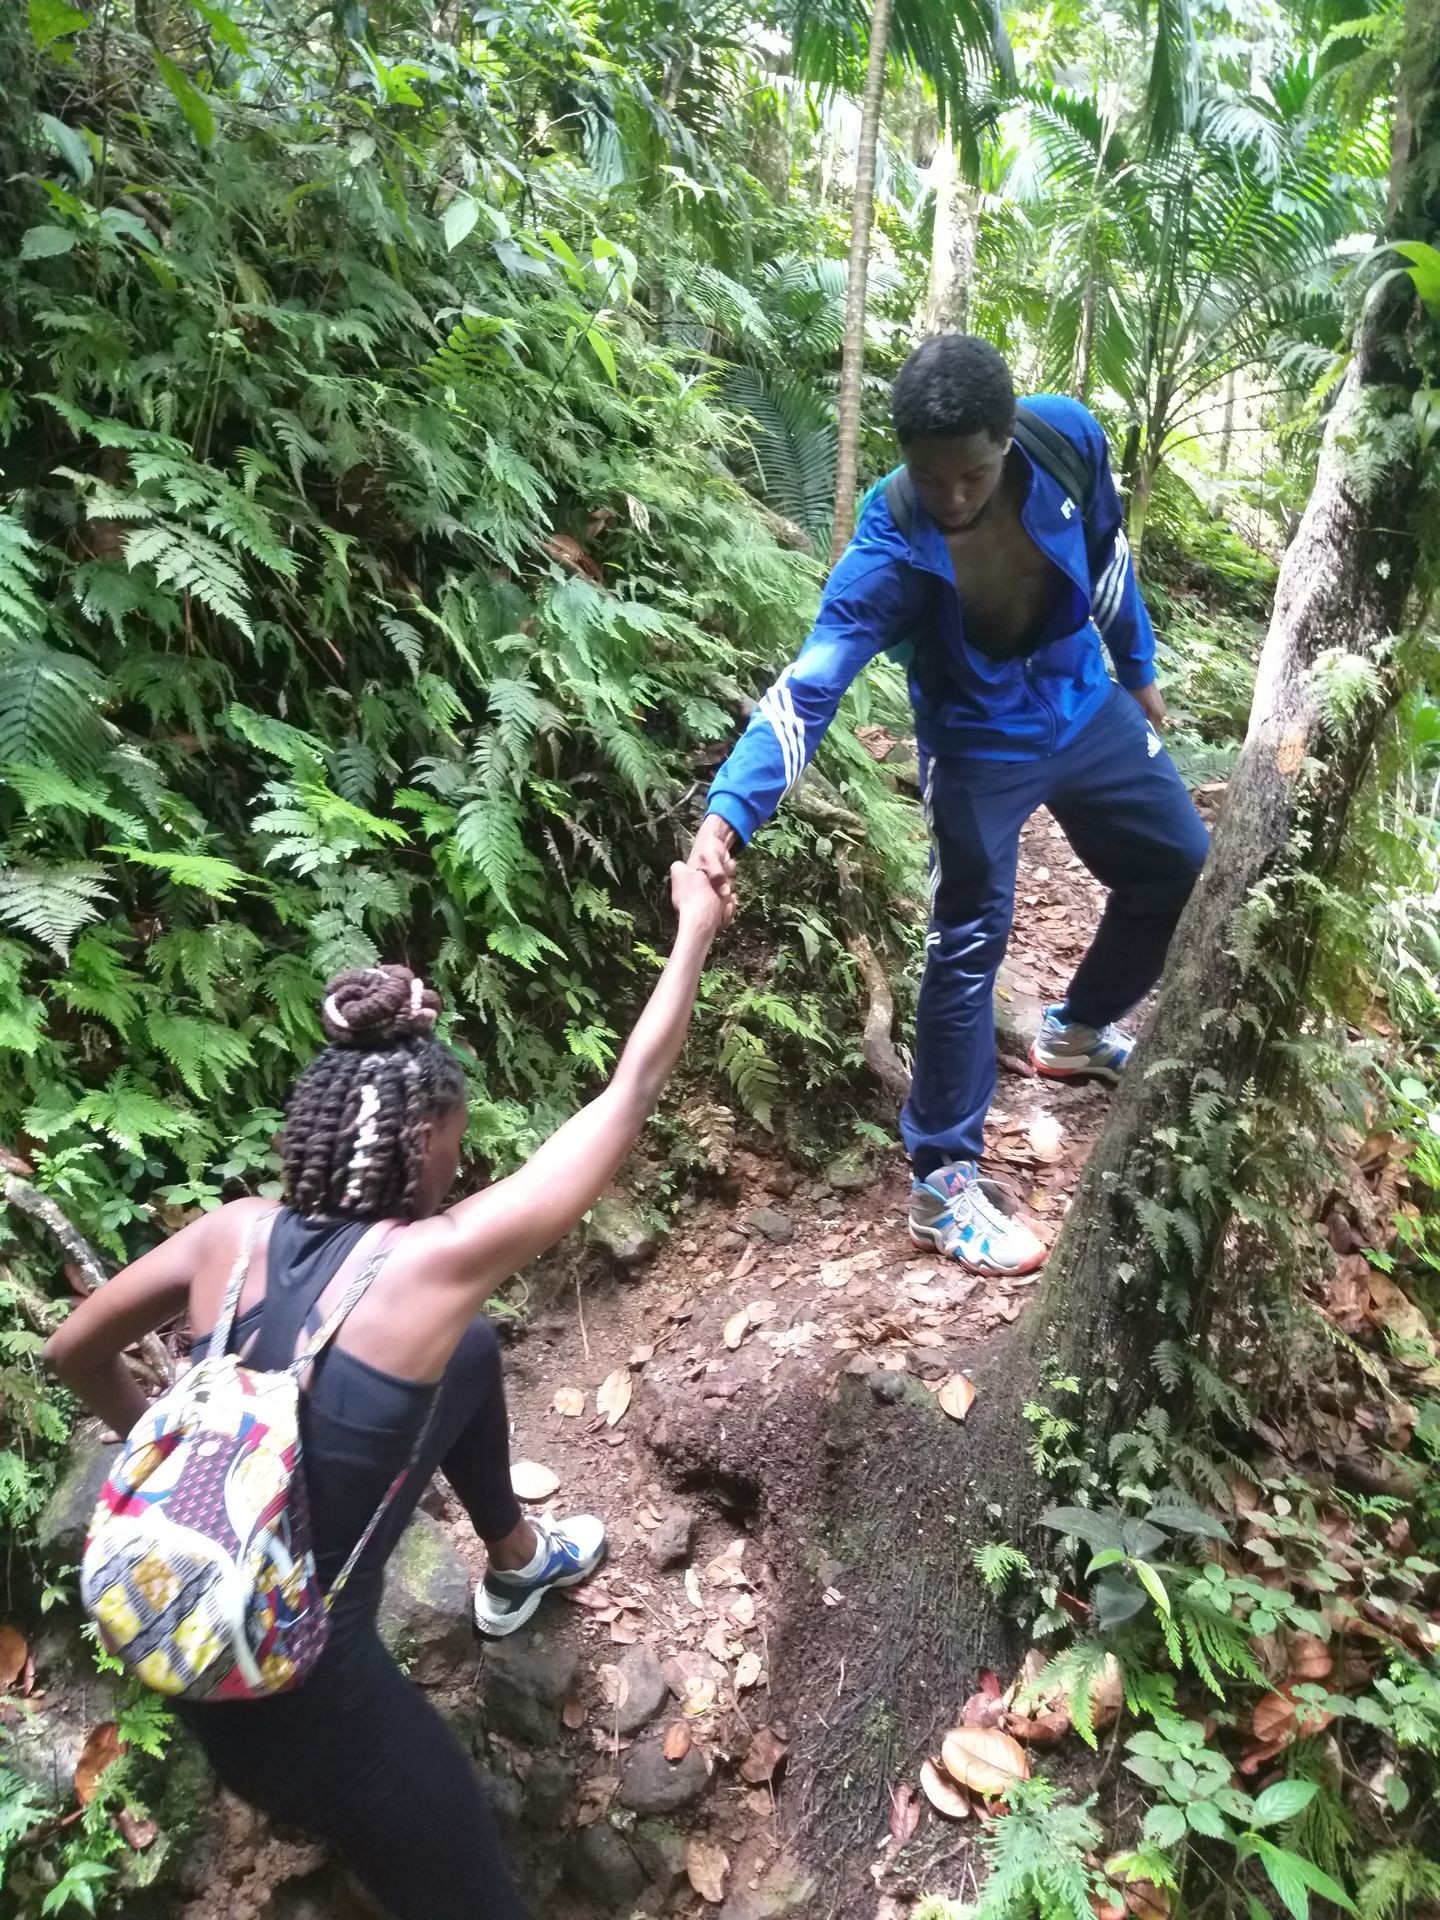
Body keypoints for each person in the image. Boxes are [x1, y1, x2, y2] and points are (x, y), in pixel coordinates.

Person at [45, 862, 730, 1920]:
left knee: (468, 1356)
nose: (457, 1173)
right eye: (453, 1152)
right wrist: (692, 928)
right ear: (420, 1145)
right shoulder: (428, 1267)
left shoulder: (228, 1236)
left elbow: (70, 1352)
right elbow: (626, 1094)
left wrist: (160, 1444)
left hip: (194, 1646)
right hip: (315, 1711)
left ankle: (514, 1567)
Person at [689, 334, 1209, 1276]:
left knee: (1178, 867)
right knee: (967, 939)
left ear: (1006, 441)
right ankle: (941, 1182)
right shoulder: (888, 547)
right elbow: (807, 691)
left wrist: (1137, 668)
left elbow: (1106, 549)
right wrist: (732, 808)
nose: (954, 497)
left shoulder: (1065, 441)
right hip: (976, 744)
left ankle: (1077, 1029)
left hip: (1082, 697)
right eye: (932, 479)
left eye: (971, 473)